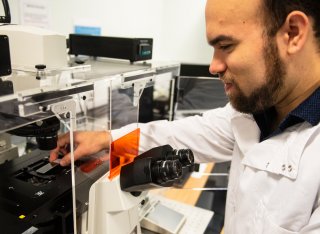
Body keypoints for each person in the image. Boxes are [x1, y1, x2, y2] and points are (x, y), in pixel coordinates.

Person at [50, 0, 320, 233]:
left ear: (292, 33)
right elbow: (175, 135)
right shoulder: (256, 111)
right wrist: (106, 140)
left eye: (226, 45)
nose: (213, 66)